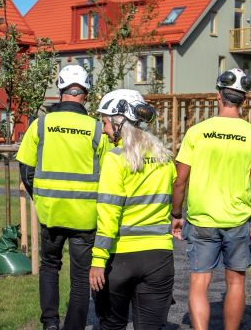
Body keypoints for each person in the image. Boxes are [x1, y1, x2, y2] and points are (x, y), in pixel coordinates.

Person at [170, 68, 251, 330]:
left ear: (218, 96)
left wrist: (177, 215)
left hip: (202, 219)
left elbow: (180, 180)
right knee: (236, 282)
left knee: (198, 282)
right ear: (244, 101)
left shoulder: (196, 132)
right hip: (238, 222)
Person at [16, 64, 109, 330]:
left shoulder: (41, 124)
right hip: (85, 217)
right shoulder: (97, 129)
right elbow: (108, 174)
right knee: (80, 278)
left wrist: (42, 197)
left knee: (50, 266)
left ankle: (50, 324)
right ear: (86, 94)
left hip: (51, 213)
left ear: (60, 90)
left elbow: (26, 169)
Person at [89, 89, 177, 329]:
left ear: (120, 123)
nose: (105, 130)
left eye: (105, 123)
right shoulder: (165, 159)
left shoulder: (115, 159)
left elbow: (108, 214)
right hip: (159, 258)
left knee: (112, 325)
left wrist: (98, 260)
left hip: (121, 259)